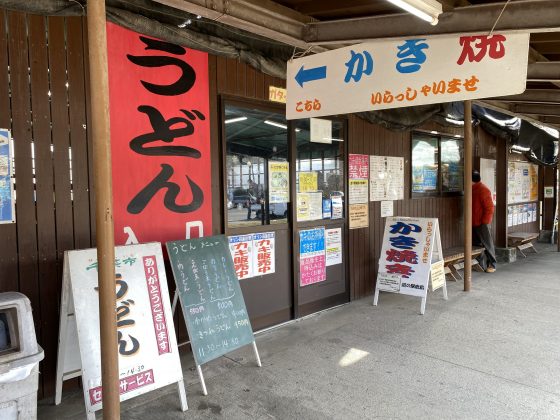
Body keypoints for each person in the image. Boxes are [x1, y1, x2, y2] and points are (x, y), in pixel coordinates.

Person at [472, 170, 497, 272]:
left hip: (482, 222)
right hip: (473, 222)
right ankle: (480, 264)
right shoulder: (473, 189)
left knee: (487, 244)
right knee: (476, 245)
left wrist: (485, 222)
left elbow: (490, 208)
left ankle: (492, 264)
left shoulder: (483, 190)